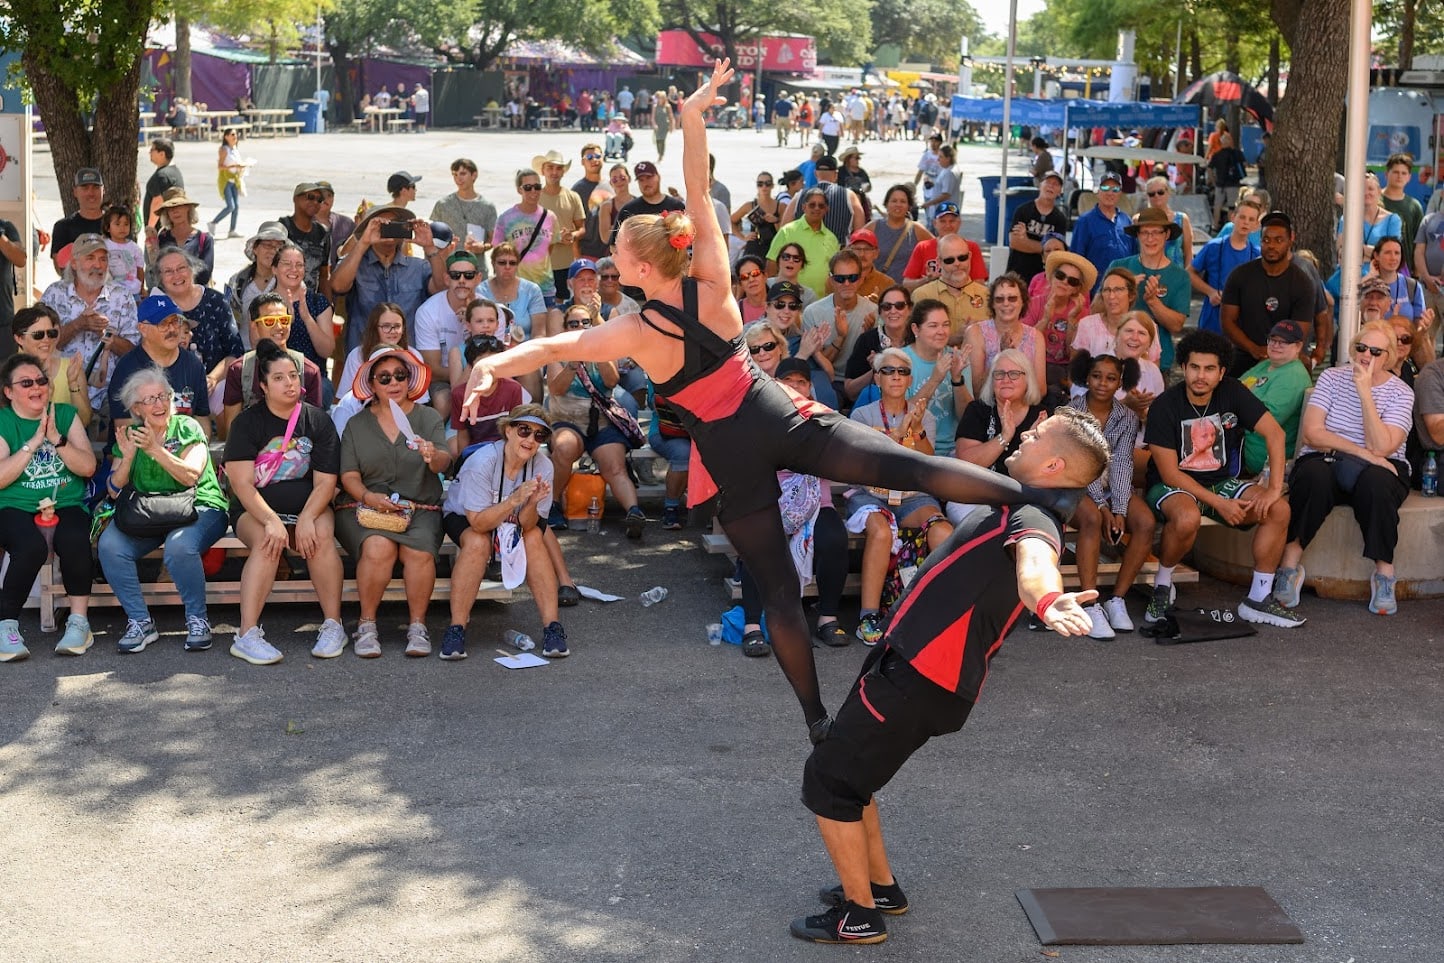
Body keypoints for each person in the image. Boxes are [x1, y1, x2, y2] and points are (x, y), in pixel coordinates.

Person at [463, 61, 1066, 739]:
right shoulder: (715, 282)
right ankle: (1026, 503)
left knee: (778, 591)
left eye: (620, 253)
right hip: (779, 416)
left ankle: (815, 717)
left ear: (635, 267)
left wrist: (490, 363)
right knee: (909, 467)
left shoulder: (630, 329)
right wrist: (693, 117)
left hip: (733, 457)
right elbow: (696, 187)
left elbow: (546, 351)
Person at [791, 408, 1109, 946]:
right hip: (912, 668)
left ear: (1053, 463)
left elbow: (1036, 565)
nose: (1024, 434)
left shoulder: (1036, 518)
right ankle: (880, 888)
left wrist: (1049, 600)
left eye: (1035, 435)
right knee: (851, 773)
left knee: (828, 781)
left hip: (920, 678)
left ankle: (858, 915)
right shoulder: (1021, 498)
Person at [1143, 331, 1302, 629]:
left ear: (1222, 372)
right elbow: (1169, 473)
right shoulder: (1166, 405)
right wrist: (1219, 503)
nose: (1200, 376)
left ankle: (1258, 598)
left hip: (1219, 482)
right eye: (1194, 367)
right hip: (1172, 485)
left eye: (1209, 369)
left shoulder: (1233, 391)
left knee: (1279, 510)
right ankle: (1163, 586)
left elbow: (1276, 435)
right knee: (1187, 517)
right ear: (1184, 368)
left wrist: (1272, 490)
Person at [1274, 320, 1415, 616]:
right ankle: (1289, 564)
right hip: (1327, 457)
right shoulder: (1331, 377)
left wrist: (1365, 393)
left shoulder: (1401, 392)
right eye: (1362, 348)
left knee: (1377, 482)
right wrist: (1363, 453)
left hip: (1383, 467)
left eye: (1376, 351)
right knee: (1313, 476)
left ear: (1388, 356)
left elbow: (1382, 448)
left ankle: (1384, 572)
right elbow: (1313, 433)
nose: (1366, 355)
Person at [223, 338, 346, 664]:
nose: (289, 383)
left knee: (320, 536)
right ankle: (246, 634)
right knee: (267, 540)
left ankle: (334, 625)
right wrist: (271, 520)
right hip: (257, 510)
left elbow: (325, 483)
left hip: (311, 505)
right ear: (263, 385)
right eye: (279, 378)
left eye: (293, 376)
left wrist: (306, 517)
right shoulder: (247, 423)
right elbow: (242, 485)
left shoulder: (318, 420)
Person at [100, 366, 230, 654]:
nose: (159, 404)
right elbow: (113, 488)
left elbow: (191, 476)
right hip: (150, 513)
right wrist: (130, 455)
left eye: (164, 396)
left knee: (179, 546)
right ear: (136, 407)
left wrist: (155, 450)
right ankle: (140, 621)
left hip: (199, 507)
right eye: (150, 399)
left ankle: (198, 619)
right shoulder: (132, 435)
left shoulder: (187, 427)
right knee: (110, 545)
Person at [337, 346, 450, 657]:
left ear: (410, 379)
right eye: (384, 377)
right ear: (372, 384)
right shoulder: (357, 424)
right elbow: (348, 476)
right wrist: (368, 496)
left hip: (419, 507)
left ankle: (417, 626)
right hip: (364, 506)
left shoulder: (427, 418)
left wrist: (432, 455)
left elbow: (444, 462)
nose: (393, 383)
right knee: (378, 547)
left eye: (400, 375)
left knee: (418, 551)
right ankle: (367, 625)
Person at [442, 404, 572, 660]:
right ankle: (456, 628)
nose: (530, 439)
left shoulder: (543, 466)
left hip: (512, 518)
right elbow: (478, 523)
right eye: (524, 430)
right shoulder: (483, 462)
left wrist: (532, 502)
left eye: (539, 435)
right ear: (509, 430)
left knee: (534, 537)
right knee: (478, 542)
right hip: (465, 516)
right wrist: (514, 500)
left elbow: (528, 525)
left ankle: (552, 627)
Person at [845, 348, 953, 644]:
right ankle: (868, 615)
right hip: (872, 494)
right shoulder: (862, 415)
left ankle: (939, 612)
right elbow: (865, 463)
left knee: (943, 530)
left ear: (909, 380)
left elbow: (928, 461)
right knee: (880, 531)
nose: (895, 376)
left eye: (902, 372)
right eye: (888, 371)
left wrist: (916, 431)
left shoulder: (925, 416)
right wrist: (897, 434)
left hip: (913, 495)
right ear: (877, 379)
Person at [0, 353, 97, 662]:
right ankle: (7, 627)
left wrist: (56, 439)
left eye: (41, 381)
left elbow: (88, 467)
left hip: (64, 501)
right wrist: (32, 442)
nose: (37, 387)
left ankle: (79, 623)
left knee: (74, 540)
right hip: (14, 504)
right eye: (26, 382)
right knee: (29, 548)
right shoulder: (4, 420)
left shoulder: (65, 414)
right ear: (9, 391)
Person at [1066, 351, 1153, 638]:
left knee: (1145, 522)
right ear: (1086, 378)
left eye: (1111, 378)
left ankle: (1117, 599)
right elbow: (1080, 466)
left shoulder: (1127, 417)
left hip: (1110, 486)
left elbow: (1123, 462)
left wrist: (1120, 510)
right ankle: (1090, 602)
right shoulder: (1071, 412)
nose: (1103, 383)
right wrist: (1105, 509)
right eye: (1096, 376)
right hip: (1075, 484)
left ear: (1120, 383)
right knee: (1092, 519)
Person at [543, 303, 647, 537]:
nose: (580, 327)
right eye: (574, 323)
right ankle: (553, 504)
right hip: (568, 421)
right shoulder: (556, 352)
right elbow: (556, 389)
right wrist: (572, 364)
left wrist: (596, 352)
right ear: (565, 328)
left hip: (601, 423)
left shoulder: (603, 349)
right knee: (563, 447)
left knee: (614, 466)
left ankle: (634, 513)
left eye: (585, 323)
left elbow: (611, 381)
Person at [331, 204, 447, 353]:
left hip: (406, 355)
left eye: (394, 225)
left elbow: (442, 289)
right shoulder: (355, 264)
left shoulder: (418, 267)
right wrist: (363, 243)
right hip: (363, 355)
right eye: (382, 225)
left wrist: (430, 247)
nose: (388, 230)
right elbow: (338, 286)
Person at [1221, 210, 1323, 377]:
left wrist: (1274, 353)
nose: (1271, 246)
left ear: (1291, 240)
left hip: (1286, 360)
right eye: (1266, 240)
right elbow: (1227, 321)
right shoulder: (1240, 275)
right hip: (1245, 355)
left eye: (1278, 240)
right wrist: (1254, 349)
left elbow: (1299, 331)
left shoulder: (1302, 282)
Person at [109, 294, 211, 435]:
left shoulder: (193, 365)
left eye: (175, 321)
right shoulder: (126, 369)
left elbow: (202, 420)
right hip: (141, 452)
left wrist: (197, 449)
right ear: (143, 329)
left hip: (185, 450)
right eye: (163, 324)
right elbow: (124, 429)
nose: (172, 329)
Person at [153, 247, 244, 395]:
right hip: (169, 389)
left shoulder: (216, 301)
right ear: (160, 278)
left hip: (216, 385)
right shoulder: (156, 307)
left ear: (192, 270)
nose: (176, 275)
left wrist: (212, 379)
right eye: (168, 271)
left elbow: (235, 351)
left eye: (181, 268)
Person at [1238, 320, 1314, 475]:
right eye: (1273, 340)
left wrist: (1233, 408)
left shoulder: (1293, 376)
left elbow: (1265, 421)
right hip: (1238, 441)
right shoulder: (1267, 364)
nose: (1276, 345)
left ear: (1298, 346)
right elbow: (1234, 389)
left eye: (1283, 342)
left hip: (1256, 456)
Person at [413, 251, 483, 419]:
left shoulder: (491, 310)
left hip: (485, 374)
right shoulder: (428, 311)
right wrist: (463, 376)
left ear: (478, 278)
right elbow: (433, 370)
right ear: (446, 279)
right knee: (443, 400)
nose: (461, 280)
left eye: (468, 275)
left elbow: (498, 354)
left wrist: (475, 323)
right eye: (455, 275)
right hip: (444, 379)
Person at [964, 274, 1046, 399]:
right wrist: (1000, 356)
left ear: (1023, 302)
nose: (1006, 303)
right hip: (987, 407)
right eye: (999, 299)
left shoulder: (1036, 336)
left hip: (1025, 407)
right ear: (992, 304)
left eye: (1012, 298)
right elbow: (975, 389)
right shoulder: (976, 332)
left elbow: (1041, 390)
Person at [1189, 196, 1262, 335]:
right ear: (1233, 217)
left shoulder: (1256, 254)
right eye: (1242, 217)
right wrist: (1210, 291)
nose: (1245, 222)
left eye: (1251, 219)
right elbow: (1190, 272)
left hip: (1242, 323)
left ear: (1256, 225)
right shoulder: (1214, 247)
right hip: (1212, 319)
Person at [1025, 249, 1094, 393]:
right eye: (1060, 275)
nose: (1064, 282)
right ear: (1052, 277)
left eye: (1072, 281)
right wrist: (1045, 318)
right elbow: (1024, 345)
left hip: (1065, 371)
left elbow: (1072, 355)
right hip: (1034, 365)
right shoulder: (1033, 304)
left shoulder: (1082, 313)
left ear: (1077, 289)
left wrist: (1072, 320)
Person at [12, 306, 91, 427]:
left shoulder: (71, 368)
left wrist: (73, 384)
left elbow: (84, 422)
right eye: (38, 335)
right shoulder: (9, 374)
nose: (46, 339)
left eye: (51, 333)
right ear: (19, 338)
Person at [910, 234, 989, 342]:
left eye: (962, 258)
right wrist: (954, 338)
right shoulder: (923, 295)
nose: (957, 264)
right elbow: (916, 339)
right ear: (939, 262)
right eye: (949, 260)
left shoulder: (987, 296)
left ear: (970, 256)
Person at [533, 150, 587, 303]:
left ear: (563, 172)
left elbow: (582, 229)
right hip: (539, 265)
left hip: (566, 264)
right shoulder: (534, 197)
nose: (554, 172)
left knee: (563, 307)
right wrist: (556, 238)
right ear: (543, 171)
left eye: (558, 168)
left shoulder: (573, 197)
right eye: (550, 168)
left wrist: (572, 236)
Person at [430, 158, 497, 277]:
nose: (458, 179)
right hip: (449, 270)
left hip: (477, 271)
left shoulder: (487, 207)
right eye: (455, 174)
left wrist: (482, 247)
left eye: (463, 173)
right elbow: (432, 238)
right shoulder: (443, 204)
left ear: (474, 175)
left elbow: (493, 239)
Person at [224, 222, 287, 349]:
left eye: (279, 247)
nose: (273, 251)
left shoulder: (288, 281)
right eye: (268, 245)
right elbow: (229, 321)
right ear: (255, 248)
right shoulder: (237, 282)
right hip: (244, 352)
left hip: (279, 355)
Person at [1070, 171, 1135, 294]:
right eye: (1105, 187)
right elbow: (1076, 258)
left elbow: (1134, 254)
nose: (1110, 192)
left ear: (1120, 193)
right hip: (1094, 291)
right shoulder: (1085, 221)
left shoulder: (1126, 220)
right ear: (1098, 191)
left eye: (1115, 189)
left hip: (1123, 290)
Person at [844, 285, 911, 401]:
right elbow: (850, 392)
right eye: (887, 307)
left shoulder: (919, 338)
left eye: (899, 306)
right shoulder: (867, 340)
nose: (893, 311)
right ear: (880, 312)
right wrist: (876, 369)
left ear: (909, 310)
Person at [767, 188, 840, 294]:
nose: (816, 208)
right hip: (790, 301)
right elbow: (772, 264)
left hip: (821, 302)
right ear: (804, 207)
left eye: (821, 205)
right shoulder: (787, 231)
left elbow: (835, 272)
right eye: (812, 205)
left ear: (826, 209)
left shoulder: (832, 238)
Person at [863, 185, 932, 286]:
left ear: (909, 206)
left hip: (906, 292)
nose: (898, 205)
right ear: (886, 204)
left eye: (903, 201)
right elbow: (853, 252)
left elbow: (939, 248)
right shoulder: (872, 227)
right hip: (877, 291)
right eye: (894, 201)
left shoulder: (917, 229)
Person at [1006, 171, 1068, 282]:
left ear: (1060, 191)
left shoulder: (1060, 219)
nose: (1051, 186)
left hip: (1043, 277)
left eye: (1056, 184)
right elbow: (1014, 242)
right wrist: (1045, 249)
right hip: (1017, 273)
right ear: (1040, 185)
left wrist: (1026, 241)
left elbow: (1057, 252)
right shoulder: (1023, 210)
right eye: (1048, 182)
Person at [151, 189, 215, 287]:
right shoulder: (162, 238)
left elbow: (205, 275)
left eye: (179, 206)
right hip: (170, 296)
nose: (175, 211)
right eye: (170, 208)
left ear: (188, 208)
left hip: (197, 297)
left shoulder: (205, 239)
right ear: (166, 213)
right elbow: (158, 271)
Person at [1337, 172, 1402, 263]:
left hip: (1381, 274)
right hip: (1349, 273)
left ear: (1379, 192)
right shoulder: (1347, 219)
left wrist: (1356, 249)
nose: (1366, 193)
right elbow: (1341, 253)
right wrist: (1376, 254)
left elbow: (1391, 255)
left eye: (1371, 189)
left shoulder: (1393, 220)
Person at [50, 169, 107, 272]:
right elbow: (61, 269)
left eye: (96, 187)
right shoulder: (62, 227)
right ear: (75, 192)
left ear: (103, 190)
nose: (91, 193)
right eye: (85, 187)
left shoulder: (117, 225)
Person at [1142, 175, 1194, 269]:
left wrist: (1186, 278)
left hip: (1176, 276)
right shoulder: (1138, 220)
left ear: (1168, 192)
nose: (1156, 196)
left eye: (1160, 192)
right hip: (1147, 276)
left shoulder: (1182, 219)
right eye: (1152, 194)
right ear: (1147, 197)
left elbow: (1188, 253)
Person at [733, 171, 783, 262]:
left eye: (767, 183)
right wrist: (743, 237)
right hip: (754, 246)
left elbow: (786, 232)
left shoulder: (781, 206)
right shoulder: (749, 205)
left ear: (772, 186)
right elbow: (730, 221)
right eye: (760, 184)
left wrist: (776, 221)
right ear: (757, 186)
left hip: (774, 247)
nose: (764, 187)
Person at [209, 128, 247, 239]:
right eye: (232, 134)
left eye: (236, 134)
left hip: (234, 179)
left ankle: (232, 230)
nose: (235, 136)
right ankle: (213, 223)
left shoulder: (235, 149)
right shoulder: (224, 149)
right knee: (231, 206)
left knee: (236, 207)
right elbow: (220, 166)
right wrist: (235, 166)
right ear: (226, 137)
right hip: (225, 180)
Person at [1206, 132, 1247, 231]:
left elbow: (1209, 168)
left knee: (1217, 206)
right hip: (1233, 184)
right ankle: (1230, 226)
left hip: (1220, 184)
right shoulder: (1237, 153)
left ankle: (1215, 225)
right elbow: (1244, 164)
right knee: (1232, 206)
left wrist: (1213, 180)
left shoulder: (1217, 154)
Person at [101, 203, 143, 300]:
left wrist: (141, 288)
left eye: (126, 224)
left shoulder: (134, 248)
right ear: (107, 227)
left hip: (133, 291)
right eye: (117, 224)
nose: (122, 228)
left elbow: (140, 269)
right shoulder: (103, 246)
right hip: (110, 291)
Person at [141, 140, 184, 232]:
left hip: (160, 232)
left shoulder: (162, 176)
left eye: (152, 149)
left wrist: (150, 229)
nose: (149, 152)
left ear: (162, 154)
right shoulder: (175, 172)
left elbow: (158, 202)